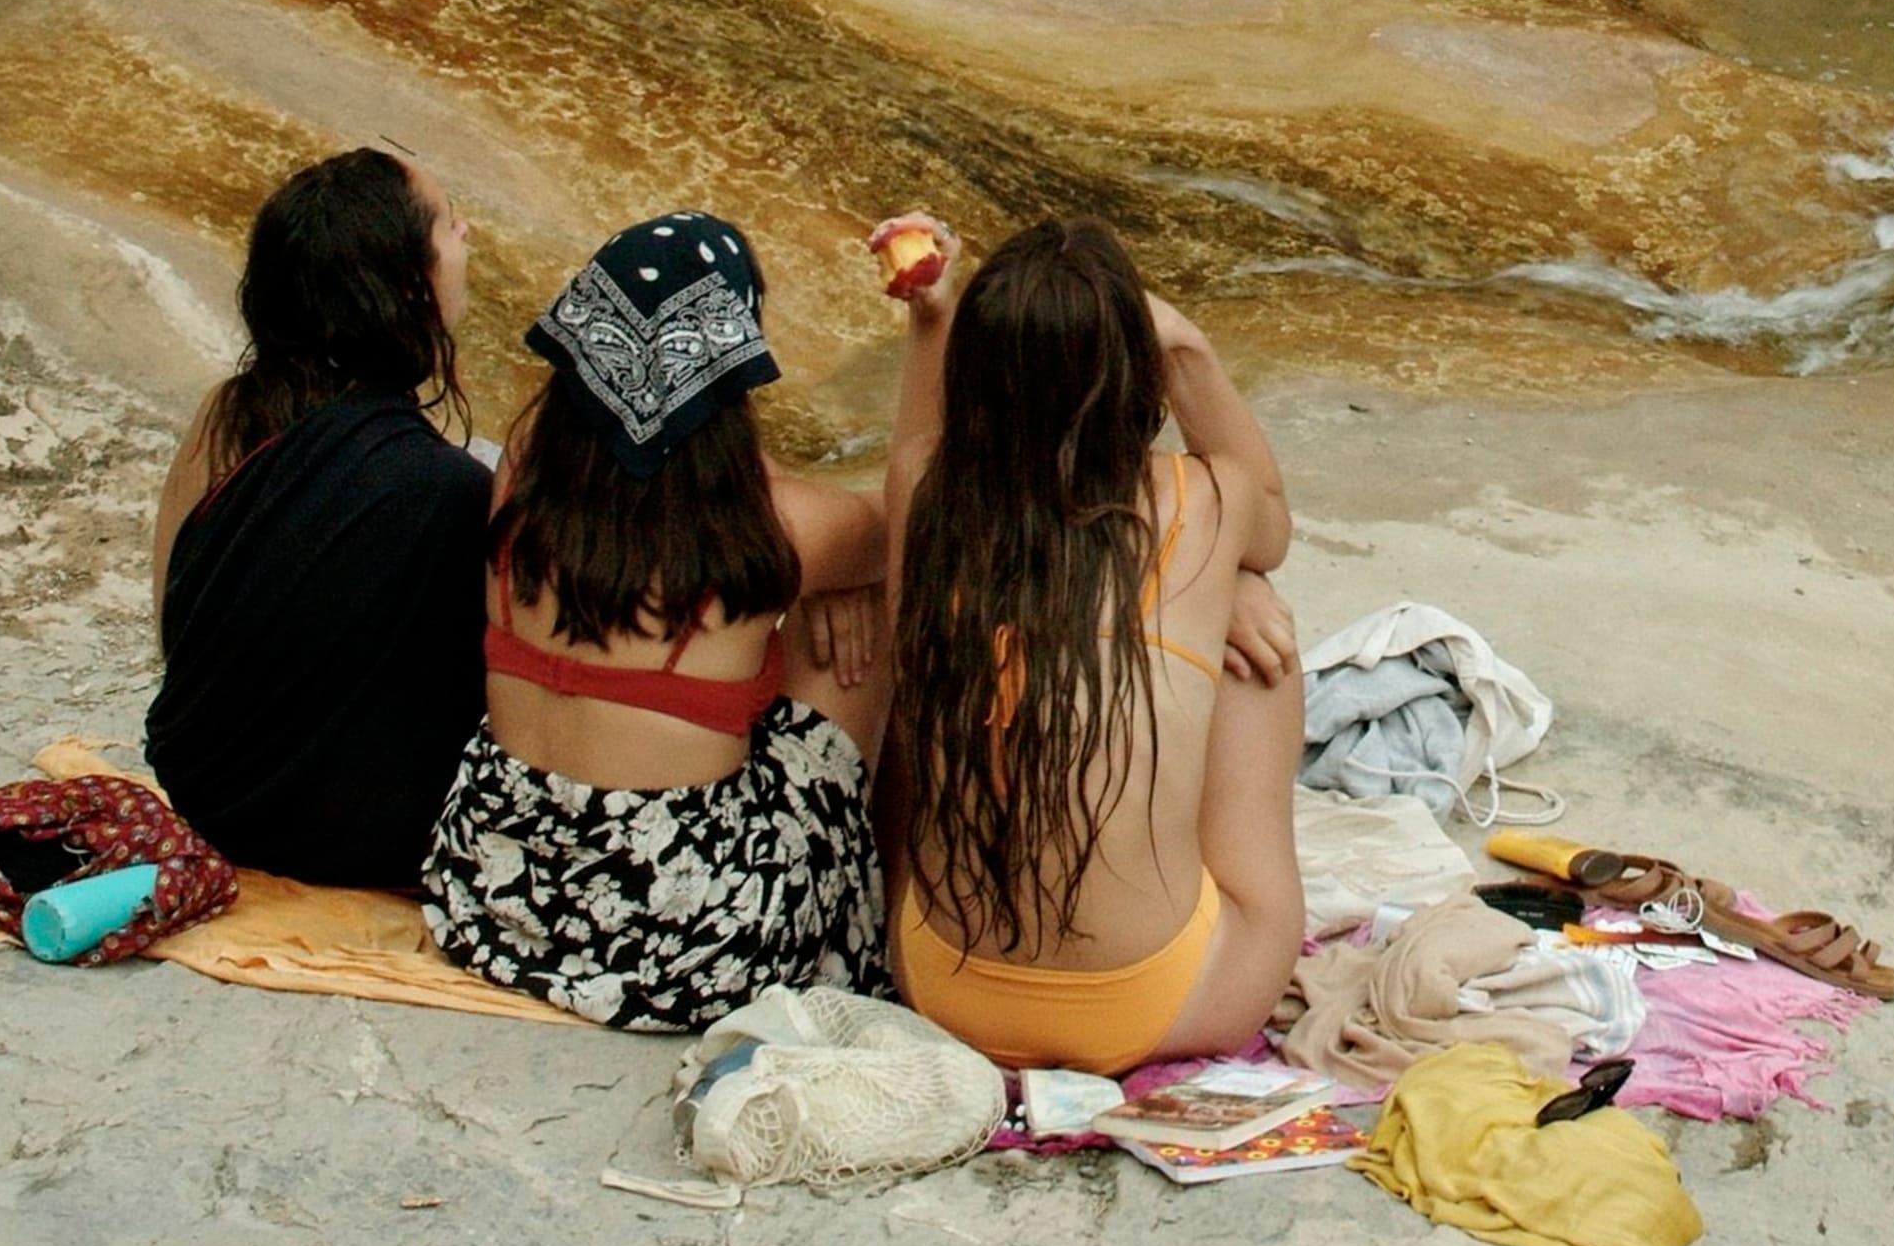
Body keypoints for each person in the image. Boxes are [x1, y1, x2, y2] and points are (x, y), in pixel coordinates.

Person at [419, 212, 894, 1030]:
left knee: (823, 589)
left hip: (493, 898)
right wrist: (835, 582)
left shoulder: (529, 456)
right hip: (681, 945)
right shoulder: (774, 526)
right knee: (878, 604)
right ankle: (884, 905)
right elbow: (905, 528)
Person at [880, 215, 1305, 1076]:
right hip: (1170, 1004)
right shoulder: (1201, 499)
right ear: (1130, 378)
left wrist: (934, 315)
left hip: (936, 986)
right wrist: (1185, 346)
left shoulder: (922, 495)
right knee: (1260, 638)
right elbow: (1271, 523)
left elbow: (919, 440)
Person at [144, 147, 489, 892]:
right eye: (451, 227)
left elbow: (176, 627)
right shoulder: (450, 489)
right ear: (408, 281)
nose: (467, 239)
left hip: (208, 798)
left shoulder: (227, 414)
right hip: (364, 847)